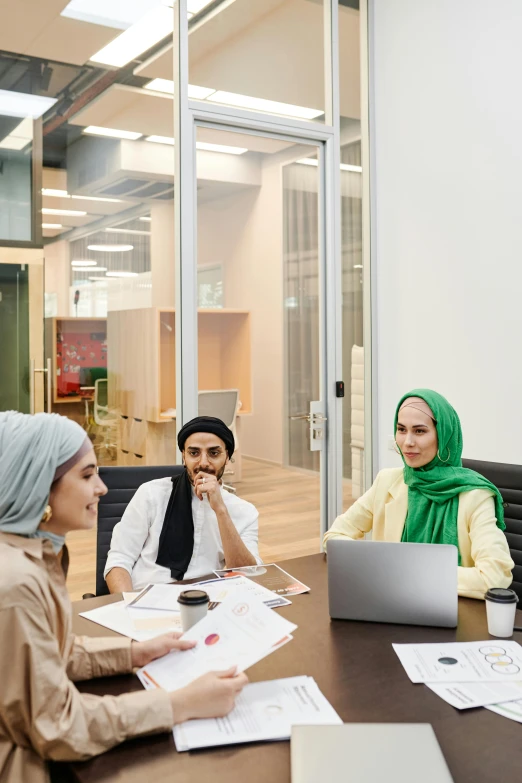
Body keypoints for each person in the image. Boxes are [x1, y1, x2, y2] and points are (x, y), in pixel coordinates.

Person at [0, 411, 247, 783]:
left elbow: (50, 654)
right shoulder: (16, 582)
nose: (102, 488)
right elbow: (59, 726)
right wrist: (180, 703)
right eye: (86, 475)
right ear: (38, 487)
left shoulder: (32, 555)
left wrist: (134, 653)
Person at [324, 389, 514, 599]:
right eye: (401, 429)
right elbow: (334, 537)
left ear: (443, 436)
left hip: (456, 610)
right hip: (391, 603)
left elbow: (495, 577)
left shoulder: (476, 496)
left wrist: (406, 573)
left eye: (420, 431)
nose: (407, 442)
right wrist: (376, 565)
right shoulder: (387, 482)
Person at [105, 416, 261, 593]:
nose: (203, 462)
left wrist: (221, 511)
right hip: (146, 596)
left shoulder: (245, 512)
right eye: (194, 453)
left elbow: (247, 574)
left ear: (227, 457)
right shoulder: (151, 494)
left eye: (214, 453)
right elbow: (119, 559)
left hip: (207, 600)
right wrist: (129, 608)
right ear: (183, 457)